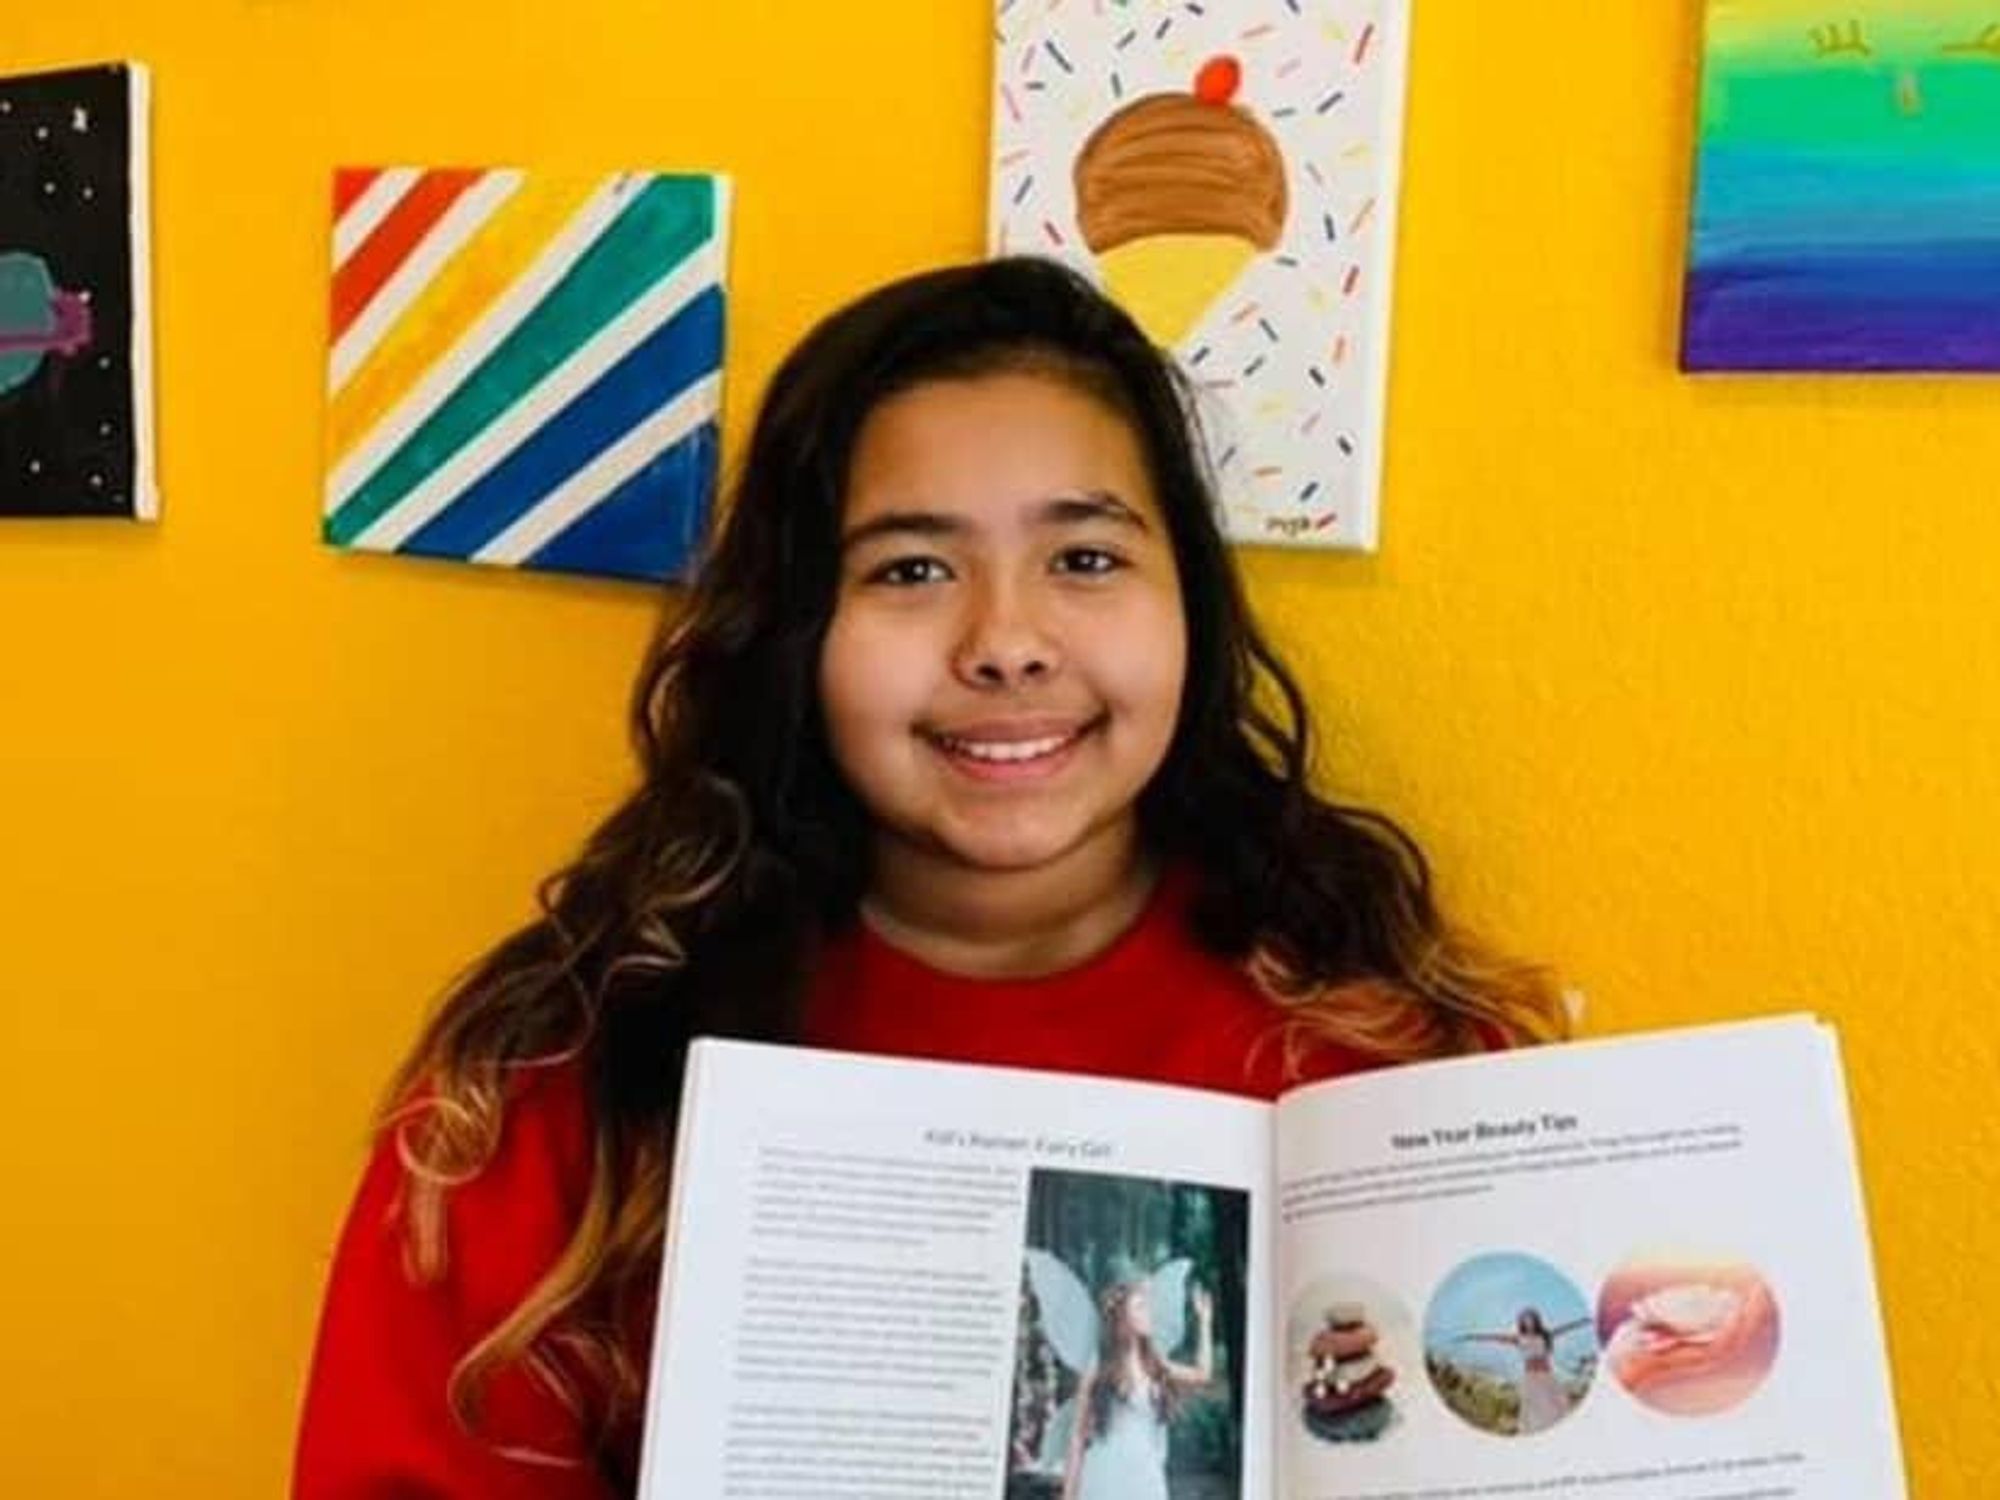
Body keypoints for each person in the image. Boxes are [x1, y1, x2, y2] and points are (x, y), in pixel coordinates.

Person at [293, 256, 1565, 1498]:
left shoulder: (1389, 1059)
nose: (1005, 643)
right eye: (908, 570)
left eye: (1083, 559)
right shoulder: (564, 1087)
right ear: (795, 628)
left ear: (1192, 604)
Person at [1062, 1281, 1212, 1500]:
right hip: (1106, 1476)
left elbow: (1202, 1375)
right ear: (1122, 1317)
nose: (1148, 1313)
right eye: (1140, 1307)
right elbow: (1077, 1437)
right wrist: (1068, 1496)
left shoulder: (1154, 1365)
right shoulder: (1099, 1366)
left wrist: (1205, 1322)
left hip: (1145, 1477)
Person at [1455, 1307, 1593, 1434]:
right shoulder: (1518, 1338)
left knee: (1556, 1408)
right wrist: (1471, 1336)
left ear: (1536, 1321)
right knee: (1535, 1413)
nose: (1529, 1322)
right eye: (1525, 1320)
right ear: (1522, 1323)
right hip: (1531, 1378)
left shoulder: (1546, 1335)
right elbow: (1493, 1338)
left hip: (1547, 1377)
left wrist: (1584, 1321)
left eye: (1531, 1319)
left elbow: (1567, 1328)